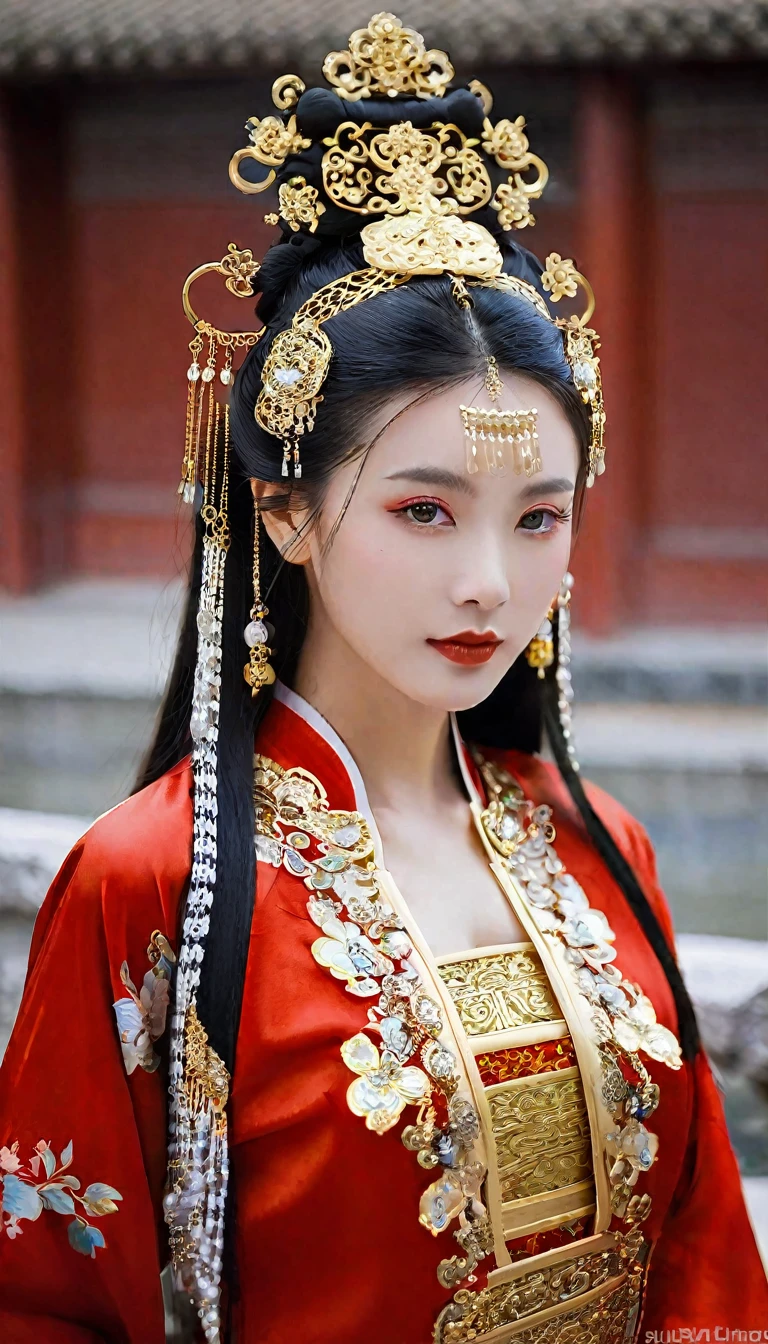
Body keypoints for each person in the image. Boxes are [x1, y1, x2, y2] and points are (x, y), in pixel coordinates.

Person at [1, 14, 765, 1344]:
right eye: (424, 510)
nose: (488, 581)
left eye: (538, 515)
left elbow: (704, 1263)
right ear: (286, 513)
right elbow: (44, 1304)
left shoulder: (599, 843)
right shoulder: (151, 889)